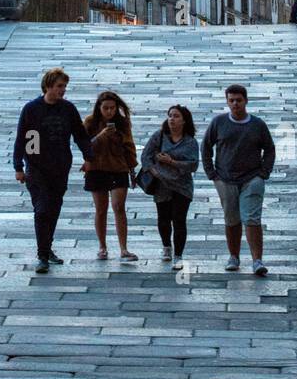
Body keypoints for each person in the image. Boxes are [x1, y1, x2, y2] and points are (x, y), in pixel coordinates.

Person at [12, 67, 94, 273]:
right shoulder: (31, 109)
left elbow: (80, 135)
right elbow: (23, 138)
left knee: (54, 208)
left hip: (60, 166)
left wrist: (88, 157)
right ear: (48, 86)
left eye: (64, 86)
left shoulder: (68, 109)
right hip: (37, 168)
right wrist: (19, 166)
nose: (63, 90)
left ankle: (47, 248)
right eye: (59, 86)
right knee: (41, 210)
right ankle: (42, 255)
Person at [201, 85, 275, 276]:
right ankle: (233, 257)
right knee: (231, 219)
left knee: (252, 218)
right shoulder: (218, 123)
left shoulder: (257, 125)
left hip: (252, 178)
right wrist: (212, 175)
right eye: (231, 100)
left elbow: (269, 149)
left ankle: (257, 260)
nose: (235, 104)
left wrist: (263, 173)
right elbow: (206, 147)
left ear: (246, 101)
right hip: (225, 179)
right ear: (227, 101)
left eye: (239, 100)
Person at [138, 104, 199, 271]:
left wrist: (172, 162)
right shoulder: (159, 136)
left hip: (182, 185)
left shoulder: (190, 142)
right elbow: (146, 156)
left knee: (179, 219)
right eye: (170, 115)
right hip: (161, 184)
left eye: (176, 116)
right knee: (163, 217)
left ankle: (178, 255)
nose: (172, 119)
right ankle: (166, 246)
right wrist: (153, 170)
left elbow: (193, 165)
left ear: (184, 120)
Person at [81, 91, 138, 261]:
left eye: (112, 108)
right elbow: (84, 145)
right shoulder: (90, 122)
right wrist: (101, 135)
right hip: (97, 168)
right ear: (99, 108)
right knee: (101, 209)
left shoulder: (122, 123)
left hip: (118, 168)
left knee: (119, 206)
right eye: (105, 108)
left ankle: (123, 248)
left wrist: (132, 169)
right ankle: (102, 246)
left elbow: (129, 146)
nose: (109, 111)